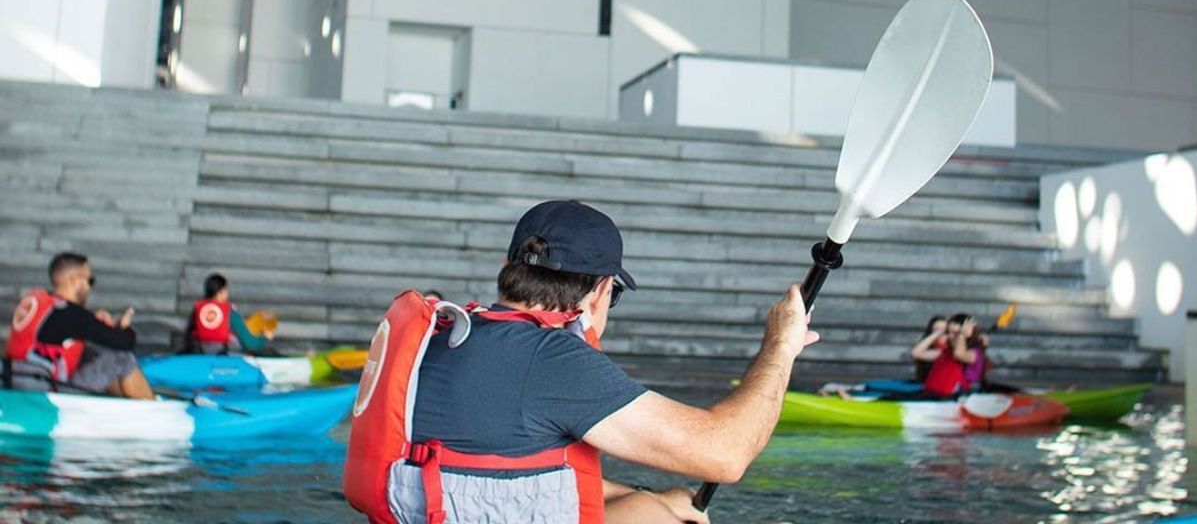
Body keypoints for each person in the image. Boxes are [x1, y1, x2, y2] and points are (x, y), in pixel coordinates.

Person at [345, 199, 819, 524]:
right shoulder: (551, 359)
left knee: (652, 510)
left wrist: (648, 499)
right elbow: (725, 455)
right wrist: (781, 346)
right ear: (599, 291)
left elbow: (493, 473)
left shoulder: (449, 332)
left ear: (508, 269)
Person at [3, 252, 154, 399]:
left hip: (18, 379)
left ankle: (123, 404)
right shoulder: (71, 315)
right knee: (122, 359)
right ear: (75, 280)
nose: (89, 288)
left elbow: (64, 329)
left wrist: (95, 321)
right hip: (49, 389)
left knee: (92, 352)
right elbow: (125, 342)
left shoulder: (38, 301)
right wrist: (124, 327)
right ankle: (150, 411)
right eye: (90, 281)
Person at [184, 273, 274, 355]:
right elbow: (251, 345)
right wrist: (265, 337)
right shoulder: (230, 313)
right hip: (228, 360)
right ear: (220, 292)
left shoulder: (197, 310)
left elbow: (189, 338)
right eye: (226, 289)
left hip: (200, 358)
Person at [912, 312, 980, 397]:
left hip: (949, 401)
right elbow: (916, 353)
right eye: (948, 332)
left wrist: (962, 335)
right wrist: (938, 332)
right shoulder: (944, 351)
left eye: (956, 333)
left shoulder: (975, 353)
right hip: (930, 396)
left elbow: (959, 354)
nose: (950, 336)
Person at [911, 314, 948, 384]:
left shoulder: (950, 350)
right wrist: (936, 334)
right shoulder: (927, 347)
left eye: (945, 331)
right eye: (936, 330)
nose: (941, 334)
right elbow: (915, 353)